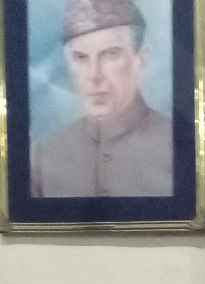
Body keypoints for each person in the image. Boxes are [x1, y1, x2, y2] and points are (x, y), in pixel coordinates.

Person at [31, 0, 173, 199]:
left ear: (140, 60)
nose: (94, 75)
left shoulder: (178, 146)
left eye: (110, 54)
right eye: (81, 58)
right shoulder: (44, 156)